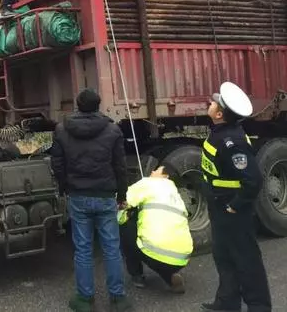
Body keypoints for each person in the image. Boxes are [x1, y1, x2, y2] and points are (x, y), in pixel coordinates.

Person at [50, 88, 132, 312]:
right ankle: (118, 299)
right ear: (98, 105)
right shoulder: (112, 130)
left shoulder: (62, 129)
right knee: (111, 248)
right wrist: (122, 195)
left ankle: (85, 300)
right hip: (105, 197)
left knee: (83, 249)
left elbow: (57, 164)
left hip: (78, 196)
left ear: (78, 104)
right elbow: (120, 167)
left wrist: (65, 188)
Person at [201, 81, 272, 312]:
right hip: (220, 206)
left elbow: (254, 180)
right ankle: (227, 303)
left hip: (232, 208)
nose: (209, 103)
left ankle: (259, 306)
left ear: (219, 113)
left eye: (213, 103)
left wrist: (236, 205)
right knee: (224, 257)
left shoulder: (233, 142)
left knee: (246, 259)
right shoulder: (220, 133)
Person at [118, 165, 193, 293]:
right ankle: (170, 277)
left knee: (126, 226)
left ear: (165, 176)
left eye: (156, 170)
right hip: (182, 257)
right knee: (160, 251)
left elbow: (123, 201)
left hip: (156, 252)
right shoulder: (175, 194)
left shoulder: (149, 183)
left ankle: (137, 276)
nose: (152, 171)